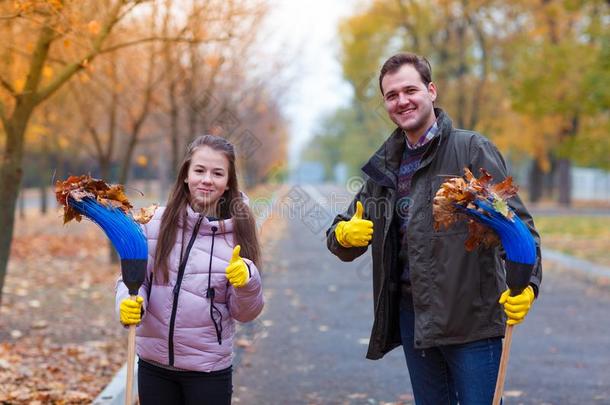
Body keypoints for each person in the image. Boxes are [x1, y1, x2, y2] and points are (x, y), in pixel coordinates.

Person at [326, 53, 542, 404]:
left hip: (471, 320)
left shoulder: (471, 150)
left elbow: (517, 226)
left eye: (410, 89)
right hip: (416, 321)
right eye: (392, 95)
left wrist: (527, 284)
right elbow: (344, 227)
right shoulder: (385, 168)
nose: (402, 100)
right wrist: (342, 236)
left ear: (431, 91)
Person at [116, 135, 264, 405]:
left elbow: (246, 313)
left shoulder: (239, 232)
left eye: (217, 173)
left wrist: (247, 282)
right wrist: (128, 301)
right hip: (154, 366)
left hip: (208, 372)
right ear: (186, 174)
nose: (207, 179)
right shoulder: (155, 223)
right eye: (199, 170)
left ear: (228, 181)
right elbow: (135, 280)